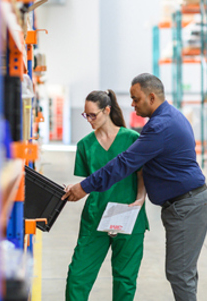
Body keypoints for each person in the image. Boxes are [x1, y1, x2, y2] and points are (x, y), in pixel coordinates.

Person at [63, 73, 207, 301]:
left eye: (136, 99)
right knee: (182, 272)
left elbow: (124, 164)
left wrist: (84, 186)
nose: (132, 104)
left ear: (151, 98)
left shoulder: (158, 127)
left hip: (186, 205)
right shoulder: (169, 118)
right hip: (180, 205)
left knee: (179, 273)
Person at [65, 89, 149, 301]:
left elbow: (142, 175)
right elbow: (88, 183)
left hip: (129, 215)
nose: (89, 120)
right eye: (86, 115)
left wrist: (140, 199)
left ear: (107, 110)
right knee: (78, 277)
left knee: (125, 279)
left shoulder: (132, 139)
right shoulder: (85, 145)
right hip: (95, 217)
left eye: (93, 114)